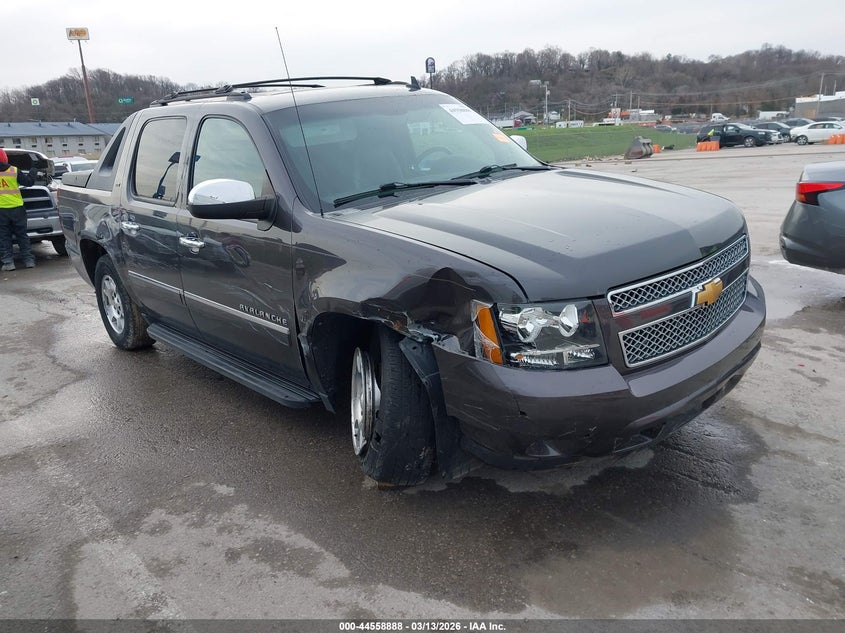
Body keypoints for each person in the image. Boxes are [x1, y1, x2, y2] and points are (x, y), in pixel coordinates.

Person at [0, 148, 37, 271]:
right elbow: (29, 182)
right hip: (17, 208)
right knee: (22, 235)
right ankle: (28, 260)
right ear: (5, 157)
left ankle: (8, 262)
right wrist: (33, 170)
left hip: (1, 210)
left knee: (4, 237)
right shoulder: (14, 170)